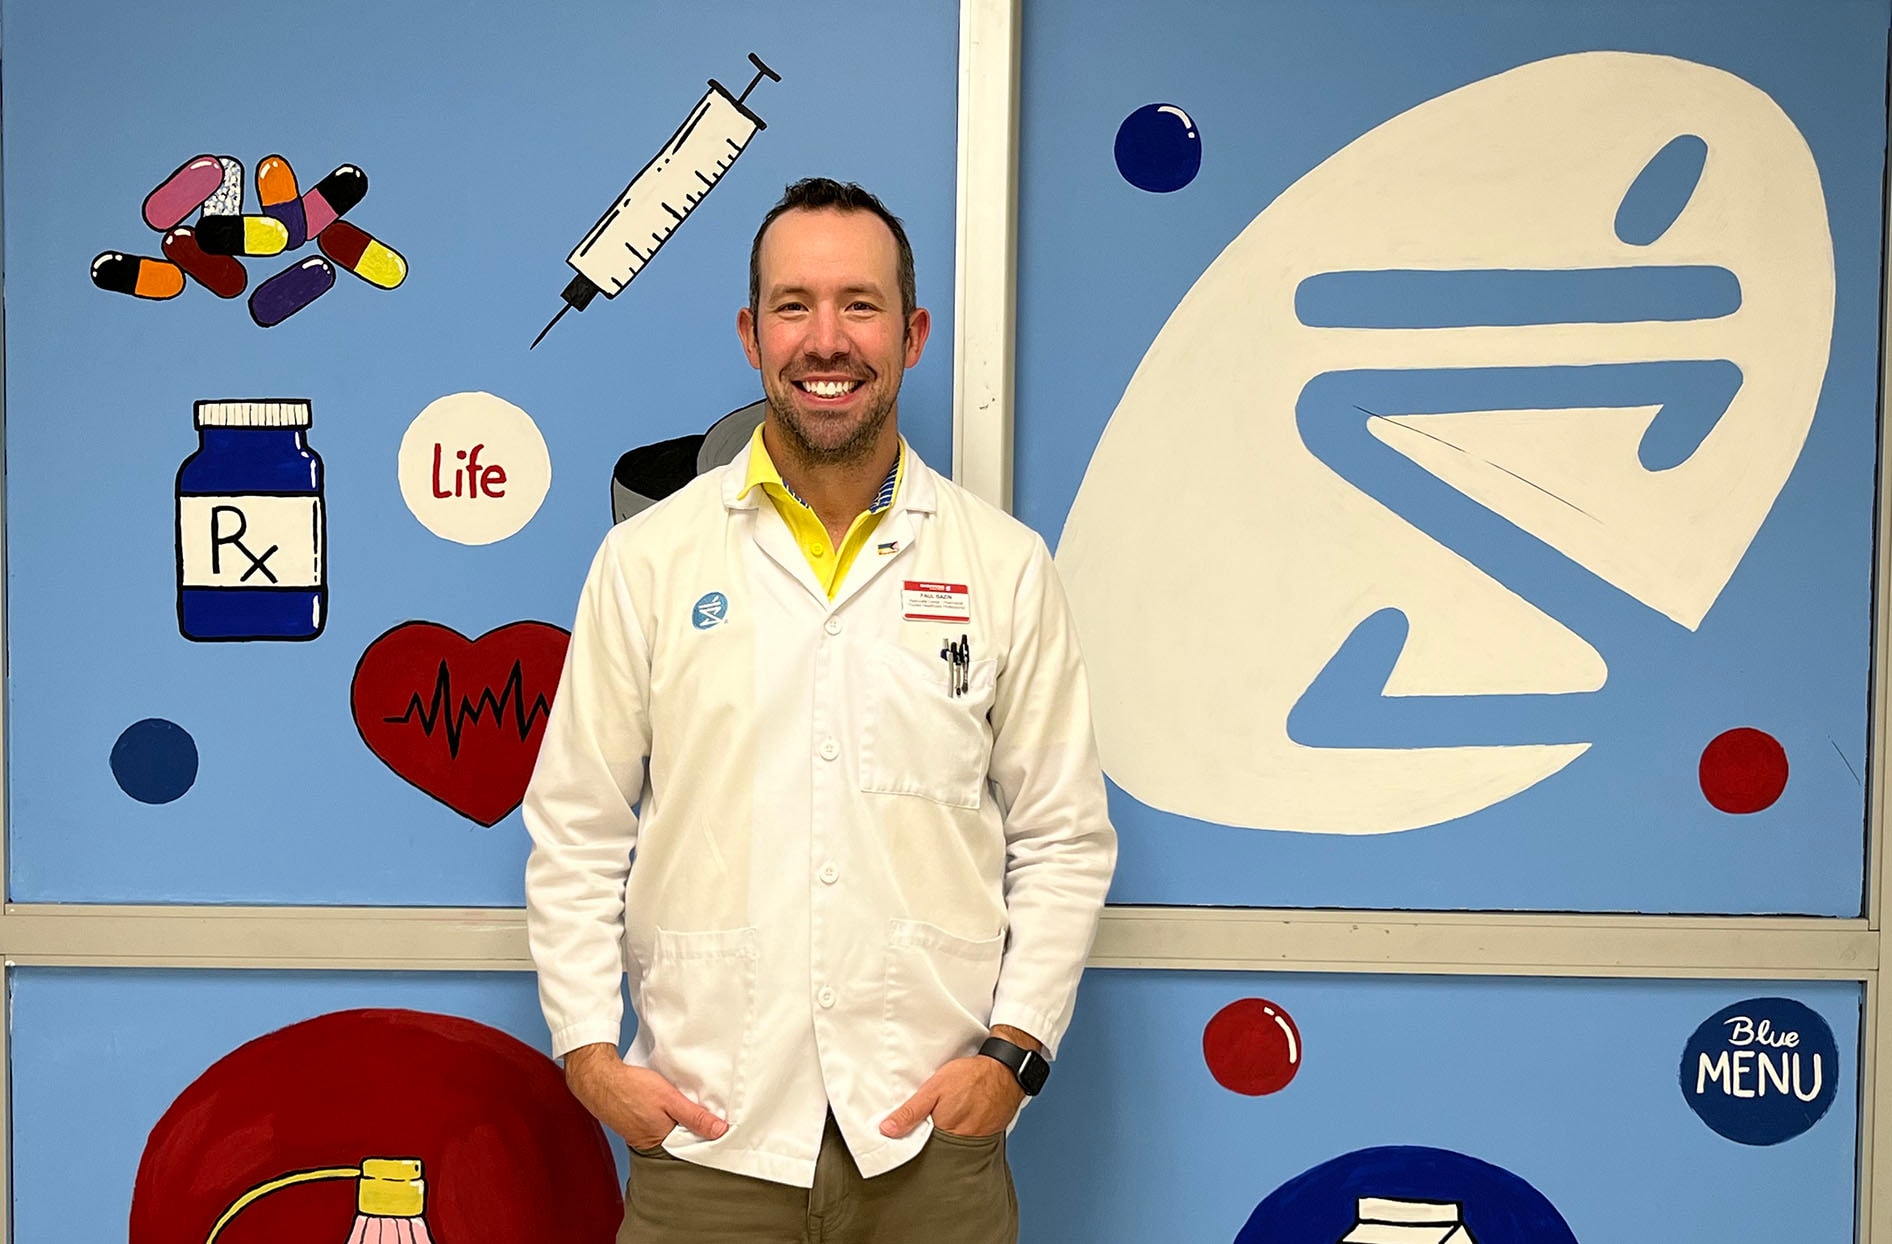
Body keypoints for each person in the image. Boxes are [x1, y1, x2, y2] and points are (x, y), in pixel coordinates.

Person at [523, 177, 1116, 1243]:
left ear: (911, 332)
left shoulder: (1003, 567)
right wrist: (588, 1053)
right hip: (708, 1136)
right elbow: (576, 826)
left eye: (859, 303)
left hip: (928, 1140)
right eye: (793, 306)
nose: (826, 338)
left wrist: (1014, 1054)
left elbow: (1062, 835)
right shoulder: (648, 561)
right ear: (752, 335)